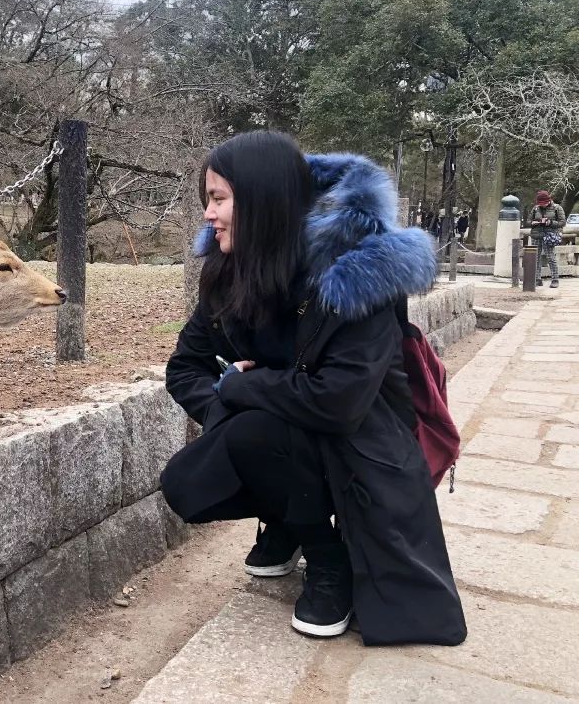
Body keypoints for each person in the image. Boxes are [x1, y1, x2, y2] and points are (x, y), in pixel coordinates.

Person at [161, 131, 466, 646]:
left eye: (218, 199)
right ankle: (289, 519)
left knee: (255, 430)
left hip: (366, 447)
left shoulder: (354, 276)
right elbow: (184, 368)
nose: (207, 215)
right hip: (289, 436)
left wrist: (241, 388)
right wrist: (227, 403)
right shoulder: (229, 272)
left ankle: (331, 562)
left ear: (262, 201)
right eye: (207, 200)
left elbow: (339, 401)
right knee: (197, 474)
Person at [529, 190, 565, 288]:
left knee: (551, 257)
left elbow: (562, 222)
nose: (542, 205)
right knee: (536, 258)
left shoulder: (557, 208)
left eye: (544, 203)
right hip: (537, 235)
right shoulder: (536, 208)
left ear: (549, 200)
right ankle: (537, 279)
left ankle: (555, 279)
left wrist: (550, 222)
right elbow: (529, 221)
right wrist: (534, 222)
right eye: (540, 203)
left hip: (549, 235)